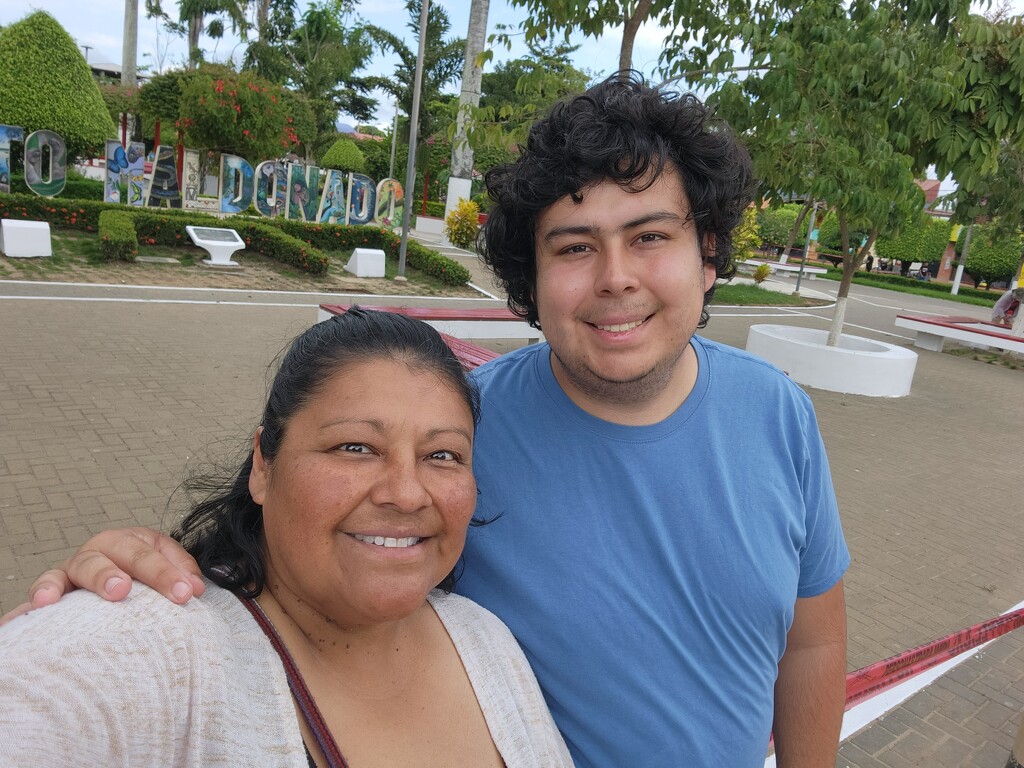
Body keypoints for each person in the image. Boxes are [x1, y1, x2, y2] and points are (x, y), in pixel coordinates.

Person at [7, 74, 849, 768]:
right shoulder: (466, 425)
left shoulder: (780, 415)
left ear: (707, 253)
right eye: (574, 246)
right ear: (531, 274)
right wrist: (131, 580)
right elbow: (296, 558)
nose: (615, 278)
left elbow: (809, 646)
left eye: (650, 236)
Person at [0, 308, 573, 767]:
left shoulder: (483, 640)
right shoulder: (149, 650)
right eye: (355, 447)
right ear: (263, 465)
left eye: (442, 455)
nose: (406, 493)